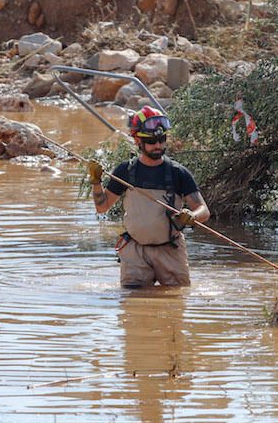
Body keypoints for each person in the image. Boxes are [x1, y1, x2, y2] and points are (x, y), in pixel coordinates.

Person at [88, 105, 210, 288]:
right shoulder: (125, 171)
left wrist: (192, 216)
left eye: (162, 140)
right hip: (135, 251)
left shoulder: (178, 173)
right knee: (132, 302)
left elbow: (204, 211)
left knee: (178, 298)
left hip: (170, 250)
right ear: (138, 140)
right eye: (152, 141)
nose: (158, 146)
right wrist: (96, 182)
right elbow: (102, 207)